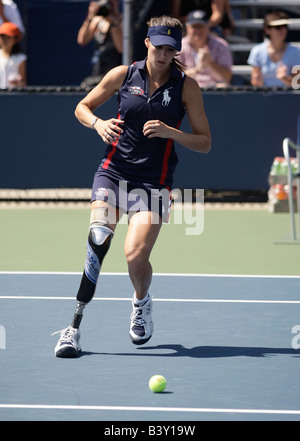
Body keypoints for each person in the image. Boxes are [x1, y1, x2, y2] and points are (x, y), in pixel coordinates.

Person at [54, 15, 211, 357]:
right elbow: (82, 107)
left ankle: (141, 303)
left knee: (135, 256)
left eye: (171, 49)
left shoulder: (186, 87)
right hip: (113, 172)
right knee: (98, 240)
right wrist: (97, 123)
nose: (164, 54)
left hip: (154, 182)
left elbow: (205, 142)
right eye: (159, 46)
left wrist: (173, 132)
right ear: (147, 44)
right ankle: (72, 329)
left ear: (176, 51)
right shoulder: (122, 75)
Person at [178, 10, 232, 88]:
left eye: (201, 27)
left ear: (208, 27)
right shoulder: (180, 46)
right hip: (188, 88)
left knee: (224, 86)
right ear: (188, 27)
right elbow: (175, 78)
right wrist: (197, 69)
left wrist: (210, 62)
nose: (198, 31)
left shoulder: (221, 45)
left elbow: (226, 78)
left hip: (214, 89)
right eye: (194, 27)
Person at [247, 11, 300, 88]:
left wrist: (285, 79)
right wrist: (257, 82)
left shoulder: (295, 52)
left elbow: (298, 83)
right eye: (278, 27)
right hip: (265, 97)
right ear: (267, 30)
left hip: (289, 98)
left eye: (285, 26)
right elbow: (255, 82)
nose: (283, 30)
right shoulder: (257, 51)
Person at [77, 0, 123, 88]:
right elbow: (82, 40)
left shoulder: (122, 20)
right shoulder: (97, 21)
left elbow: (121, 48)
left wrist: (112, 23)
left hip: (115, 72)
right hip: (98, 70)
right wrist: (89, 17)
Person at [0, 21, 26, 88]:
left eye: (8, 37)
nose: (5, 40)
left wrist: (18, 83)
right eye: (2, 37)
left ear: (15, 39)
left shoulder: (20, 58)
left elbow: (23, 84)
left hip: (11, 96)